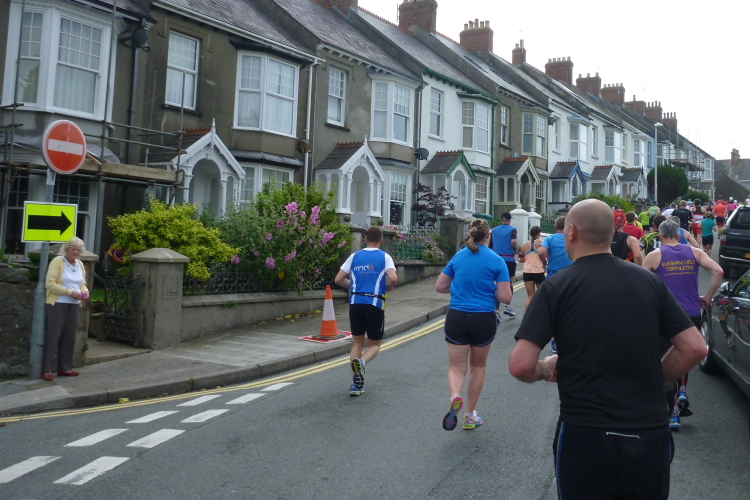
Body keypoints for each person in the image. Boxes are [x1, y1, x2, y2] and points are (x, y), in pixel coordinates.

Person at [508, 199, 707, 500]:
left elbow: (521, 364)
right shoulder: (650, 283)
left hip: (585, 433)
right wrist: (653, 374)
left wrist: (545, 368)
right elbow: (694, 347)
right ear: (611, 233)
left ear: (571, 232)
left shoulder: (557, 287)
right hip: (648, 430)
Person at [642, 220, 723, 430]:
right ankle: (682, 392)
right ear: (679, 236)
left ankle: (671, 414)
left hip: (665, 316)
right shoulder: (695, 253)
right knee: (683, 356)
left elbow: (642, 286)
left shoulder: (654, 256)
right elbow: (718, 271)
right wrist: (707, 297)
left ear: (660, 237)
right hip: (691, 314)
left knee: (665, 361)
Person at [436, 219, 511, 431]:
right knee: (478, 366)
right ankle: (469, 416)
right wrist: (489, 288)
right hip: (483, 317)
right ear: (488, 235)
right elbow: (505, 297)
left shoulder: (459, 256)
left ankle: (455, 396)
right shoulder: (497, 260)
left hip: (457, 316)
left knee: (456, 367)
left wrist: (459, 288)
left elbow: (440, 286)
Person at [335, 226, 398, 397]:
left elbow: (338, 279)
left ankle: (355, 384)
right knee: (374, 345)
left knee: (357, 343)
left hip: (355, 303)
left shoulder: (355, 256)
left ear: (365, 239)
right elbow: (393, 278)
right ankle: (362, 362)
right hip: (374, 303)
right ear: (381, 239)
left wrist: (353, 286)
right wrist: (387, 288)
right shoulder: (384, 257)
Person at [44, 237, 90, 381]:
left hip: (74, 304)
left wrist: (84, 293)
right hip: (58, 303)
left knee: (69, 337)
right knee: (53, 335)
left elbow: (82, 284)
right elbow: (50, 284)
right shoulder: (58, 261)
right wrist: (70, 292)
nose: (76, 252)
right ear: (66, 250)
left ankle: (64, 368)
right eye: (73, 249)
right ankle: (46, 370)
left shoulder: (80, 264)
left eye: (78, 250)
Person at [490, 212, 517, 317]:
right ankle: (507, 306)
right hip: (508, 259)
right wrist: (515, 248)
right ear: (509, 220)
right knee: (509, 283)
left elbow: (490, 245)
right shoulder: (512, 229)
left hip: (496, 259)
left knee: (496, 283)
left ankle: (496, 310)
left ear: (501, 219)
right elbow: (513, 241)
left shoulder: (494, 230)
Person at [519, 226, 545, 309]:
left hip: (527, 271)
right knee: (543, 296)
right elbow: (545, 254)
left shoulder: (525, 245)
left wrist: (527, 258)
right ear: (539, 233)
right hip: (539, 271)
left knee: (530, 296)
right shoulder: (541, 243)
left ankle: (528, 315)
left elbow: (521, 259)